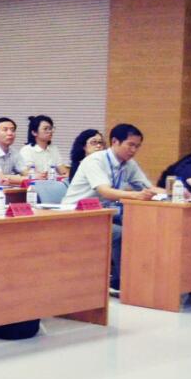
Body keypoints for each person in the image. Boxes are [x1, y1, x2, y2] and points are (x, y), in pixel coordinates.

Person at [62, 123, 157, 289]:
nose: (134, 150)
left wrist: (175, 191)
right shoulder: (95, 160)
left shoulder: (129, 164)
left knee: (142, 225)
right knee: (121, 233)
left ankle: (142, 278)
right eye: (130, 145)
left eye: (137, 146)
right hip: (78, 214)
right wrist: (136, 195)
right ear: (115, 142)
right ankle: (120, 282)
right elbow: (105, 191)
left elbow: (148, 188)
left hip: (104, 213)